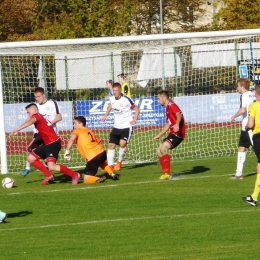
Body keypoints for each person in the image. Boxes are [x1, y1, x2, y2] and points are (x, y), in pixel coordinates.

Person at [10, 103, 80, 185]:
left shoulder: (37, 116)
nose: (28, 114)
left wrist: (17, 129)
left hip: (53, 143)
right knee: (30, 158)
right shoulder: (40, 119)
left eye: (28, 112)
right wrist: (33, 143)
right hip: (47, 144)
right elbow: (37, 129)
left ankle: (74, 175)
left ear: (35, 111)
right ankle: (48, 175)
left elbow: (30, 122)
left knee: (52, 166)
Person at [64, 116, 119, 183]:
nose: (74, 125)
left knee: (86, 179)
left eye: (75, 123)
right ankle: (112, 173)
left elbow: (71, 140)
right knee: (101, 162)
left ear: (81, 124)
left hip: (92, 156)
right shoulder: (90, 131)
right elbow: (99, 142)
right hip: (101, 152)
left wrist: (67, 151)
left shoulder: (77, 131)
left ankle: (98, 179)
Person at [21, 87, 62, 176]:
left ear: (44, 95)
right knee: (31, 148)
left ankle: (48, 171)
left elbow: (59, 117)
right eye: (35, 97)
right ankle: (27, 168)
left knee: (47, 153)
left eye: (39, 96)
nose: (37, 99)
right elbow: (30, 119)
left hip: (50, 133)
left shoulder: (52, 103)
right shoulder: (35, 106)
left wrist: (49, 124)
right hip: (38, 132)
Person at [101, 82, 140, 171]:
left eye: (116, 90)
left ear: (120, 90)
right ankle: (110, 166)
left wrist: (134, 119)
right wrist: (105, 115)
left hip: (126, 126)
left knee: (122, 144)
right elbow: (111, 105)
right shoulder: (111, 98)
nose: (115, 92)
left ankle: (119, 162)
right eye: (113, 90)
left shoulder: (126, 99)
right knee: (111, 145)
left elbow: (136, 108)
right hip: (116, 126)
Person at [153, 90, 186, 180]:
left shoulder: (172, 105)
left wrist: (177, 124)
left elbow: (178, 114)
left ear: (164, 98)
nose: (158, 100)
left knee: (163, 148)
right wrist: (159, 135)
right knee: (159, 151)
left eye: (159, 98)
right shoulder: (167, 108)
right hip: (173, 133)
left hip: (178, 134)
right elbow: (168, 124)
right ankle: (165, 173)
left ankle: (167, 173)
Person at [231, 78, 255, 179]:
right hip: (249, 126)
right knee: (241, 147)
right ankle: (239, 173)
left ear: (242, 86)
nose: (237, 88)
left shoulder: (244, 95)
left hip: (249, 126)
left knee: (257, 148)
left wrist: (234, 116)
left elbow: (243, 109)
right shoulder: (253, 94)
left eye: (238, 86)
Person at [243, 83, 260, 206]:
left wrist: (246, 126)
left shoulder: (253, 106)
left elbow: (250, 124)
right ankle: (254, 196)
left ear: (256, 92)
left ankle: (254, 198)